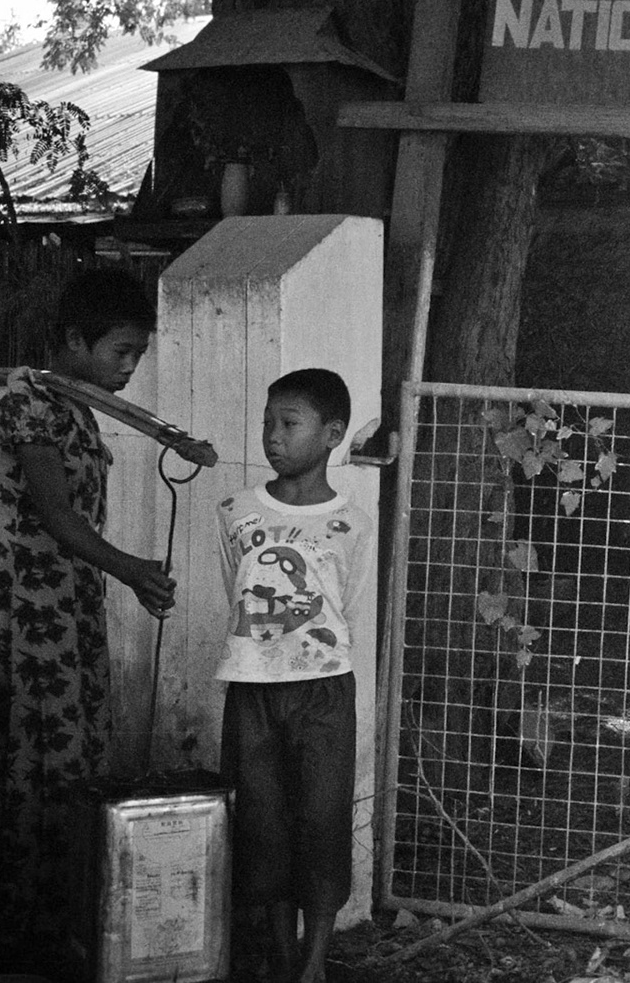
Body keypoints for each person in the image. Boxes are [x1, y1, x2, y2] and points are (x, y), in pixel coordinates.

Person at [0, 266, 179, 959]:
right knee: (35, 763)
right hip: (24, 612)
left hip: (66, 605)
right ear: (74, 339)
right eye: (121, 351)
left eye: (138, 354)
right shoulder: (30, 405)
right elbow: (54, 515)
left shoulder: (76, 405)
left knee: (75, 757)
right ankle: (21, 933)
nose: (130, 367)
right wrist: (133, 569)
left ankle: (61, 922)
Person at [215, 367, 375, 983]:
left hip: (325, 691)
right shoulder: (236, 510)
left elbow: (348, 609)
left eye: (289, 424)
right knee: (261, 822)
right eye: (267, 423)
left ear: (332, 433)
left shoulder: (352, 524)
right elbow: (235, 591)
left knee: (321, 819)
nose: (272, 436)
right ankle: (281, 959)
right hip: (251, 688)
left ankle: (315, 963)